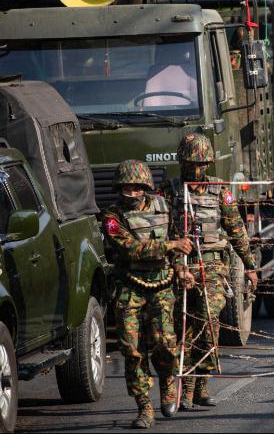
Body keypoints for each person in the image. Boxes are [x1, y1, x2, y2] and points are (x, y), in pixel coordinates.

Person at [162, 133, 258, 410]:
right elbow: (162, 230)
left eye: (202, 164)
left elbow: (236, 228)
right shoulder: (170, 191)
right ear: (182, 162)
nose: (196, 169)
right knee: (186, 328)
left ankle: (197, 386)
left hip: (214, 265)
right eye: (191, 163)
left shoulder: (219, 191)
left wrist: (250, 266)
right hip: (180, 267)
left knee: (208, 321)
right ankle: (191, 387)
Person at [101, 160, 193, 429]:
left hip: (162, 287)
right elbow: (131, 249)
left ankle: (167, 383)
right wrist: (172, 244)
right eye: (126, 188)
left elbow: (179, 245)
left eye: (136, 187)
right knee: (132, 351)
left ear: (145, 187)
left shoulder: (164, 207)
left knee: (165, 343)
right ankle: (144, 407)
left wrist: (180, 268)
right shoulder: (112, 218)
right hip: (129, 289)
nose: (131, 192)